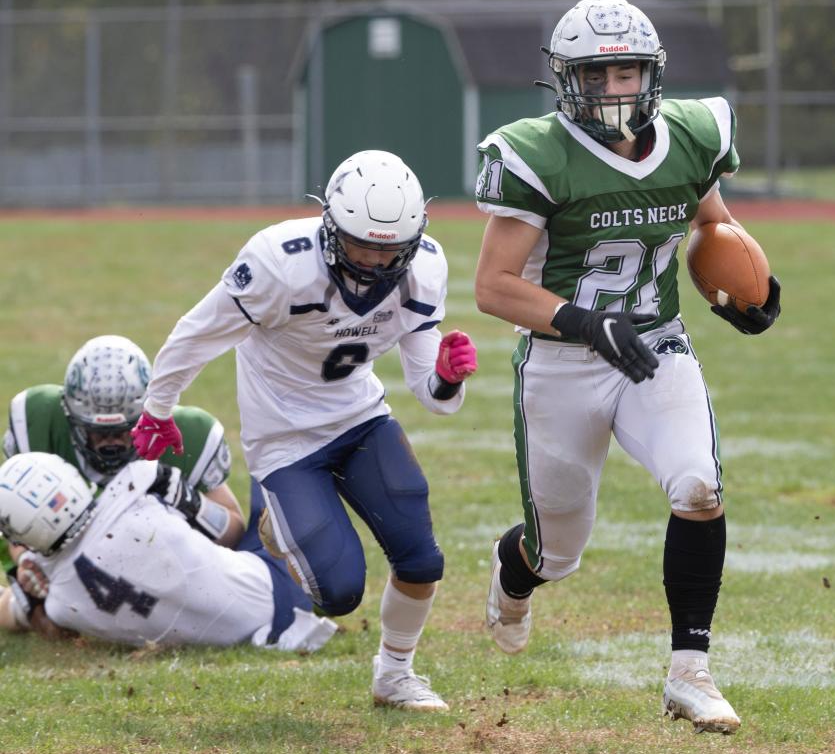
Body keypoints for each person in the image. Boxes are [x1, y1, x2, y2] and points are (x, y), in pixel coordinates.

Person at [474, 0, 781, 735]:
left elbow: (712, 222)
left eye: (629, 70)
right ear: (567, 80)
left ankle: (690, 674)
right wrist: (583, 321)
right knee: (558, 551)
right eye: (599, 72)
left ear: (653, 73)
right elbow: (493, 287)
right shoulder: (536, 153)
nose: (616, 86)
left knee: (699, 485)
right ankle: (516, 573)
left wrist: (749, 291)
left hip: (654, 344)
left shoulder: (691, 136)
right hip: (562, 361)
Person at [129, 150, 478, 712]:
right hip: (284, 439)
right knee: (339, 593)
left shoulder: (423, 269)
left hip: (359, 418)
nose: (372, 262)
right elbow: (198, 333)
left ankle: (394, 676)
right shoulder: (278, 263)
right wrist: (158, 407)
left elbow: (435, 400)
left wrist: (445, 377)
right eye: (362, 244)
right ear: (330, 226)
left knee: (421, 558)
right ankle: (275, 523)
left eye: (389, 250)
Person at [0, 451, 338, 651]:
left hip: (251, 633)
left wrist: (29, 567)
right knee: (273, 452)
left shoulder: (60, 606)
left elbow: (12, 610)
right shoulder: (137, 481)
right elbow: (227, 530)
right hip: (279, 588)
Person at [2, 334, 246, 566]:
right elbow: (10, 520)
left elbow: (234, 533)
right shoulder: (41, 420)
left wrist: (190, 502)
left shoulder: (189, 434)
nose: (111, 442)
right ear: (70, 417)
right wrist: (27, 563)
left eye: (123, 430)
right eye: (97, 431)